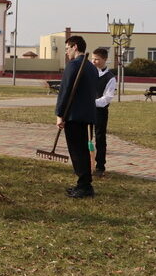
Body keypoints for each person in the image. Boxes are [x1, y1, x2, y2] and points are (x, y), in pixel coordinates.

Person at [55, 36, 98, 198]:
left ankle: (85, 186)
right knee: (81, 150)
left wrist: (60, 114)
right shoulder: (91, 67)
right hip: (87, 113)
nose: (66, 52)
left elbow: (64, 91)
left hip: (74, 114)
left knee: (77, 151)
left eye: (67, 48)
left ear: (75, 47)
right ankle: (83, 183)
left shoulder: (73, 65)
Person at [92, 47, 116, 177]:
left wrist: (92, 103)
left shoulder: (110, 78)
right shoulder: (90, 72)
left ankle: (100, 166)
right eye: (93, 59)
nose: (94, 61)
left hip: (100, 111)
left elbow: (107, 98)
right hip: (87, 110)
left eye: (97, 59)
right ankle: (86, 164)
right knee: (85, 136)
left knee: (100, 138)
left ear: (105, 59)